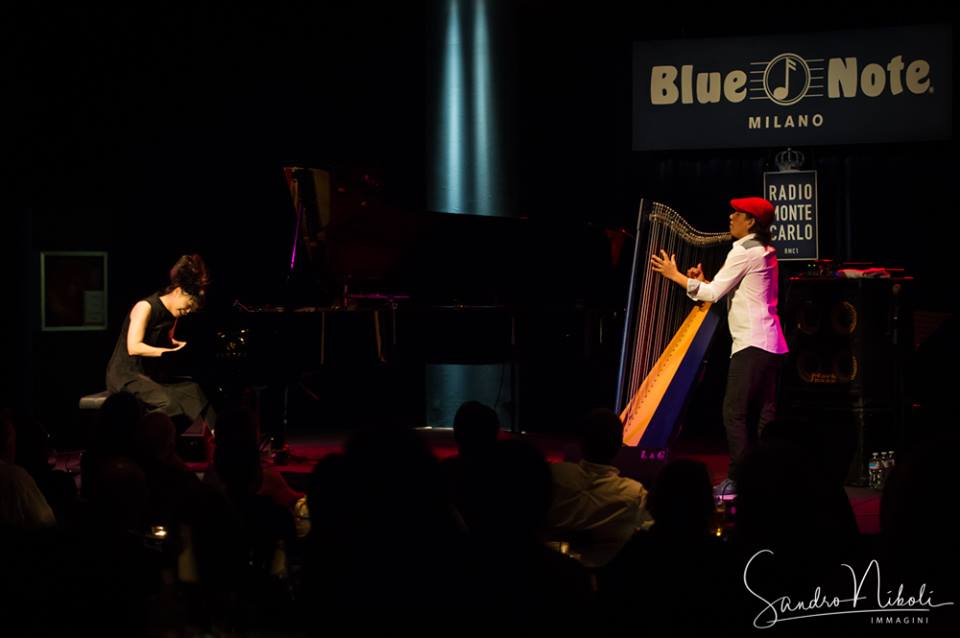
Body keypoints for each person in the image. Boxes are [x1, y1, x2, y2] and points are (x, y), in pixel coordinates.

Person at [650, 197, 788, 497]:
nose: (730, 217)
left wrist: (677, 277)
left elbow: (712, 293)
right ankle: (767, 477)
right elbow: (731, 290)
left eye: (737, 214)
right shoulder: (763, 250)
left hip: (752, 342)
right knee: (765, 414)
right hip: (771, 342)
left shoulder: (744, 251)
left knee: (733, 411)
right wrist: (698, 282)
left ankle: (739, 480)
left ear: (750, 222)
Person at [106, 254, 215, 433]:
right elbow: (134, 346)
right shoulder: (146, 307)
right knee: (169, 402)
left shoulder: (173, 314)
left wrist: (180, 345)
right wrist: (166, 351)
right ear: (178, 291)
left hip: (149, 375)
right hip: (126, 374)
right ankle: (141, 440)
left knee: (194, 393)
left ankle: (220, 439)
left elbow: (167, 340)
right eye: (187, 306)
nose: (187, 311)